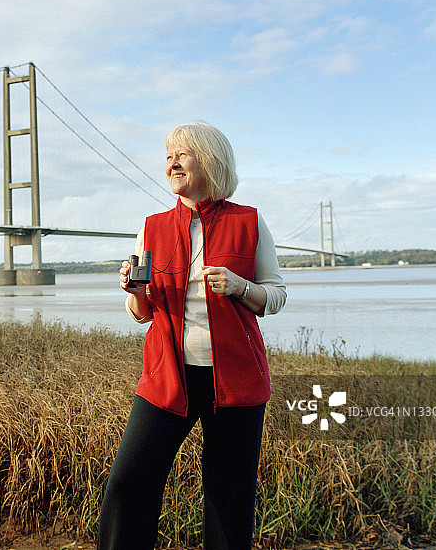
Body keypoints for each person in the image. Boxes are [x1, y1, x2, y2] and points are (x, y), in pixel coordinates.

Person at [97, 122, 286, 550]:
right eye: (168, 156)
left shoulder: (250, 222)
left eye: (184, 154)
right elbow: (140, 314)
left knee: (229, 497)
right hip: (167, 378)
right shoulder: (152, 226)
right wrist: (137, 292)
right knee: (129, 481)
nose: (172, 163)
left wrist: (239, 286)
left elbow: (275, 295)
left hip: (236, 381)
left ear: (211, 161)